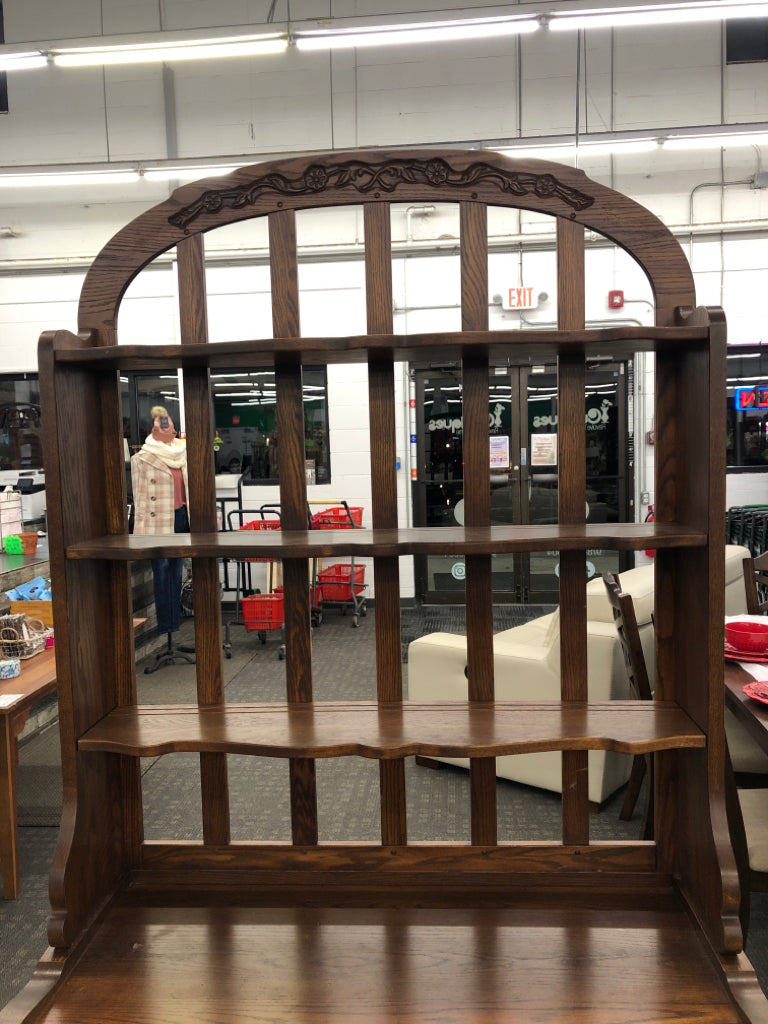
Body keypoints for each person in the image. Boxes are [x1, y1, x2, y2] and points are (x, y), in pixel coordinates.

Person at [131, 406, 194, 671]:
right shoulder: (142, 459)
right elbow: (140, 500)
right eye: (160, 425)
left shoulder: (183, 454)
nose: (165, 429)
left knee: (177, 572)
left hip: (181, 518)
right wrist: (141, 536)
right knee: (162, 571)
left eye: (168, 425)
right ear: (153, 430)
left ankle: (173, 629)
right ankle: (166, 628)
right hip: (158, 523)